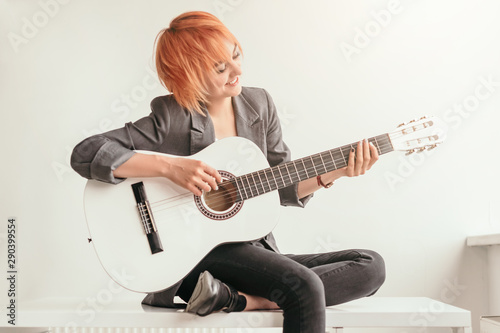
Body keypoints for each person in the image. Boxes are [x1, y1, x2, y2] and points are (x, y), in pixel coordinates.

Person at [71, 11, 385, 333]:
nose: (237, 71)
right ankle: (257, 296)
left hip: (253, 250)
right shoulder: (172, 117)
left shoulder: (259, 105)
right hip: (192, 259)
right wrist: (169, 167)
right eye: (221, 67)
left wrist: (334, 173)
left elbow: (279, 183)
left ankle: (241, 299)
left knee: (371, 266)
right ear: (188, 75)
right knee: (303, 286)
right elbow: (85, 153)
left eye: (235, 55)